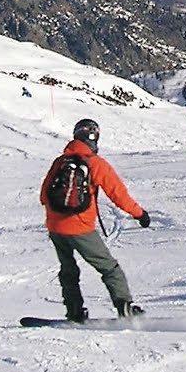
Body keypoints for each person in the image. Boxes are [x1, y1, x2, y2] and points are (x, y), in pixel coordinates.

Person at [39, 118, 150, 321]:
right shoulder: (96, 163)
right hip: (80, 228)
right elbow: (118, 194)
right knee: (109, 267)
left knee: (68, 269)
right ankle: (124, 307)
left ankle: (74, 311)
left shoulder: (60, 162)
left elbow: (43, 195)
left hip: (55, 227)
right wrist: (139, 214)